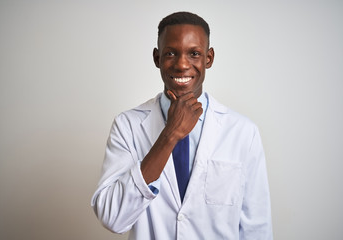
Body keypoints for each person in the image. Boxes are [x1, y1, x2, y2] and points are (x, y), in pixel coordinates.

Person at [91, 11, 273, 240]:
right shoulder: (127, 125)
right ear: (157, 58)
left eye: (194, 53)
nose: (182, 64)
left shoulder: (243, 132)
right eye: (170, 53)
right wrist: (169, 135)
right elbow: (112, 218)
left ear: (209, 58)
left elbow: (257, 229)